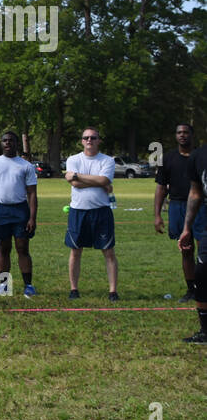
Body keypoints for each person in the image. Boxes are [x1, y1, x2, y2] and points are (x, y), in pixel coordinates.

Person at [0, 131, 38, 297]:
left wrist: (32, 217)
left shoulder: (26, 166)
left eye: (11, 140)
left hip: (20, 210)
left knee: (22, 248)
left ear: (16, 143)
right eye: (4, 140)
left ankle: (28, 285)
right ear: (1, 143)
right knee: (3, 249)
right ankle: (5, 286)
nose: (7, 143)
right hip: (1, 211)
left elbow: (32, 194)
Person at [64, 127, 118, 300]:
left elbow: (105, 180)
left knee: (108, 251)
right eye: (86, 138)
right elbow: (75, 184)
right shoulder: (73, 159)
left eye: (93, 138)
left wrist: (78, 176)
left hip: (101, 211)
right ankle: (74, 289)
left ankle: (112, 291)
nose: (89, 140)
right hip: (78, 211)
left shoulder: (107, 160)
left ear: (99, 140)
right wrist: (98, 182)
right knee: (75, 251)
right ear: (81, 141)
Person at [154, 123, 205, 302]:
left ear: (192, 135)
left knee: (203, 249)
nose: (182, 135)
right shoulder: (168, 158)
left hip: (201, 206)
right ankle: (191, 289)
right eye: (179, 133)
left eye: (186, 132)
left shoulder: (200, 156)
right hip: (177, 206)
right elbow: (161, 188)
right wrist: (157, 214)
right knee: (186, 250)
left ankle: (202, 287)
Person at [175, 144, 207, 342]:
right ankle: (205, 331)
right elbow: (195, 192)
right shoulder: (199, 156)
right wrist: (187, 227)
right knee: (202, 275)